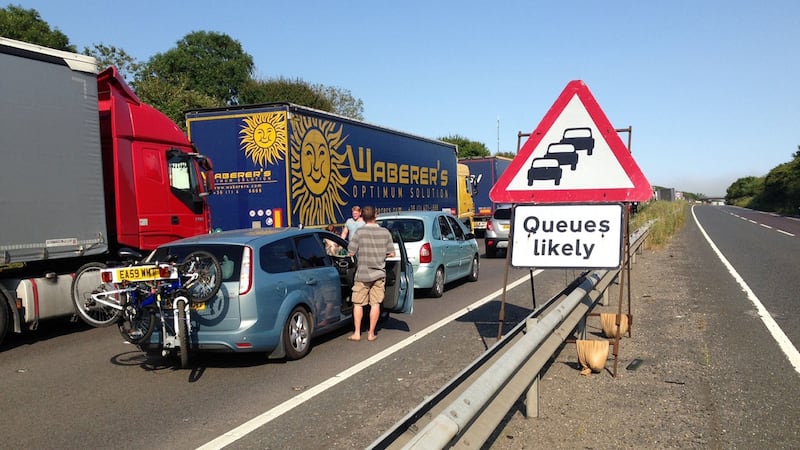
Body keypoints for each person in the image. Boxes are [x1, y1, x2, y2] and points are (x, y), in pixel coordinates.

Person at [346, 205, 395, 342]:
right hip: (379, 274)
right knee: (375, 303)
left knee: (358, 303)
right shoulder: (385, 233)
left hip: (362, 274)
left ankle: (356, 333)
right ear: (376, 215)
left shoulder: (359, 233)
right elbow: (391, 253)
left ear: (362, 216)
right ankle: (371, 333)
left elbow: (350, 251)